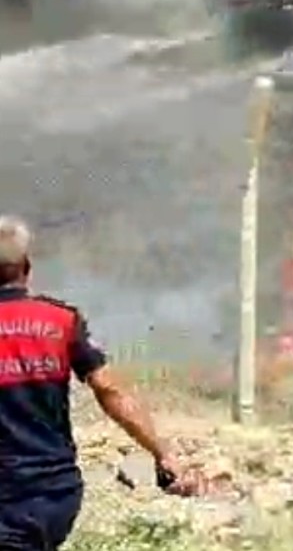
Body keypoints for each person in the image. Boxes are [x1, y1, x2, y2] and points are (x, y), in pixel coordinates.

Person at [0, 215, 197, 551]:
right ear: (27, 267)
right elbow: (110, 390)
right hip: (55, 494)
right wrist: (162, 452)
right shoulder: (61, 321)